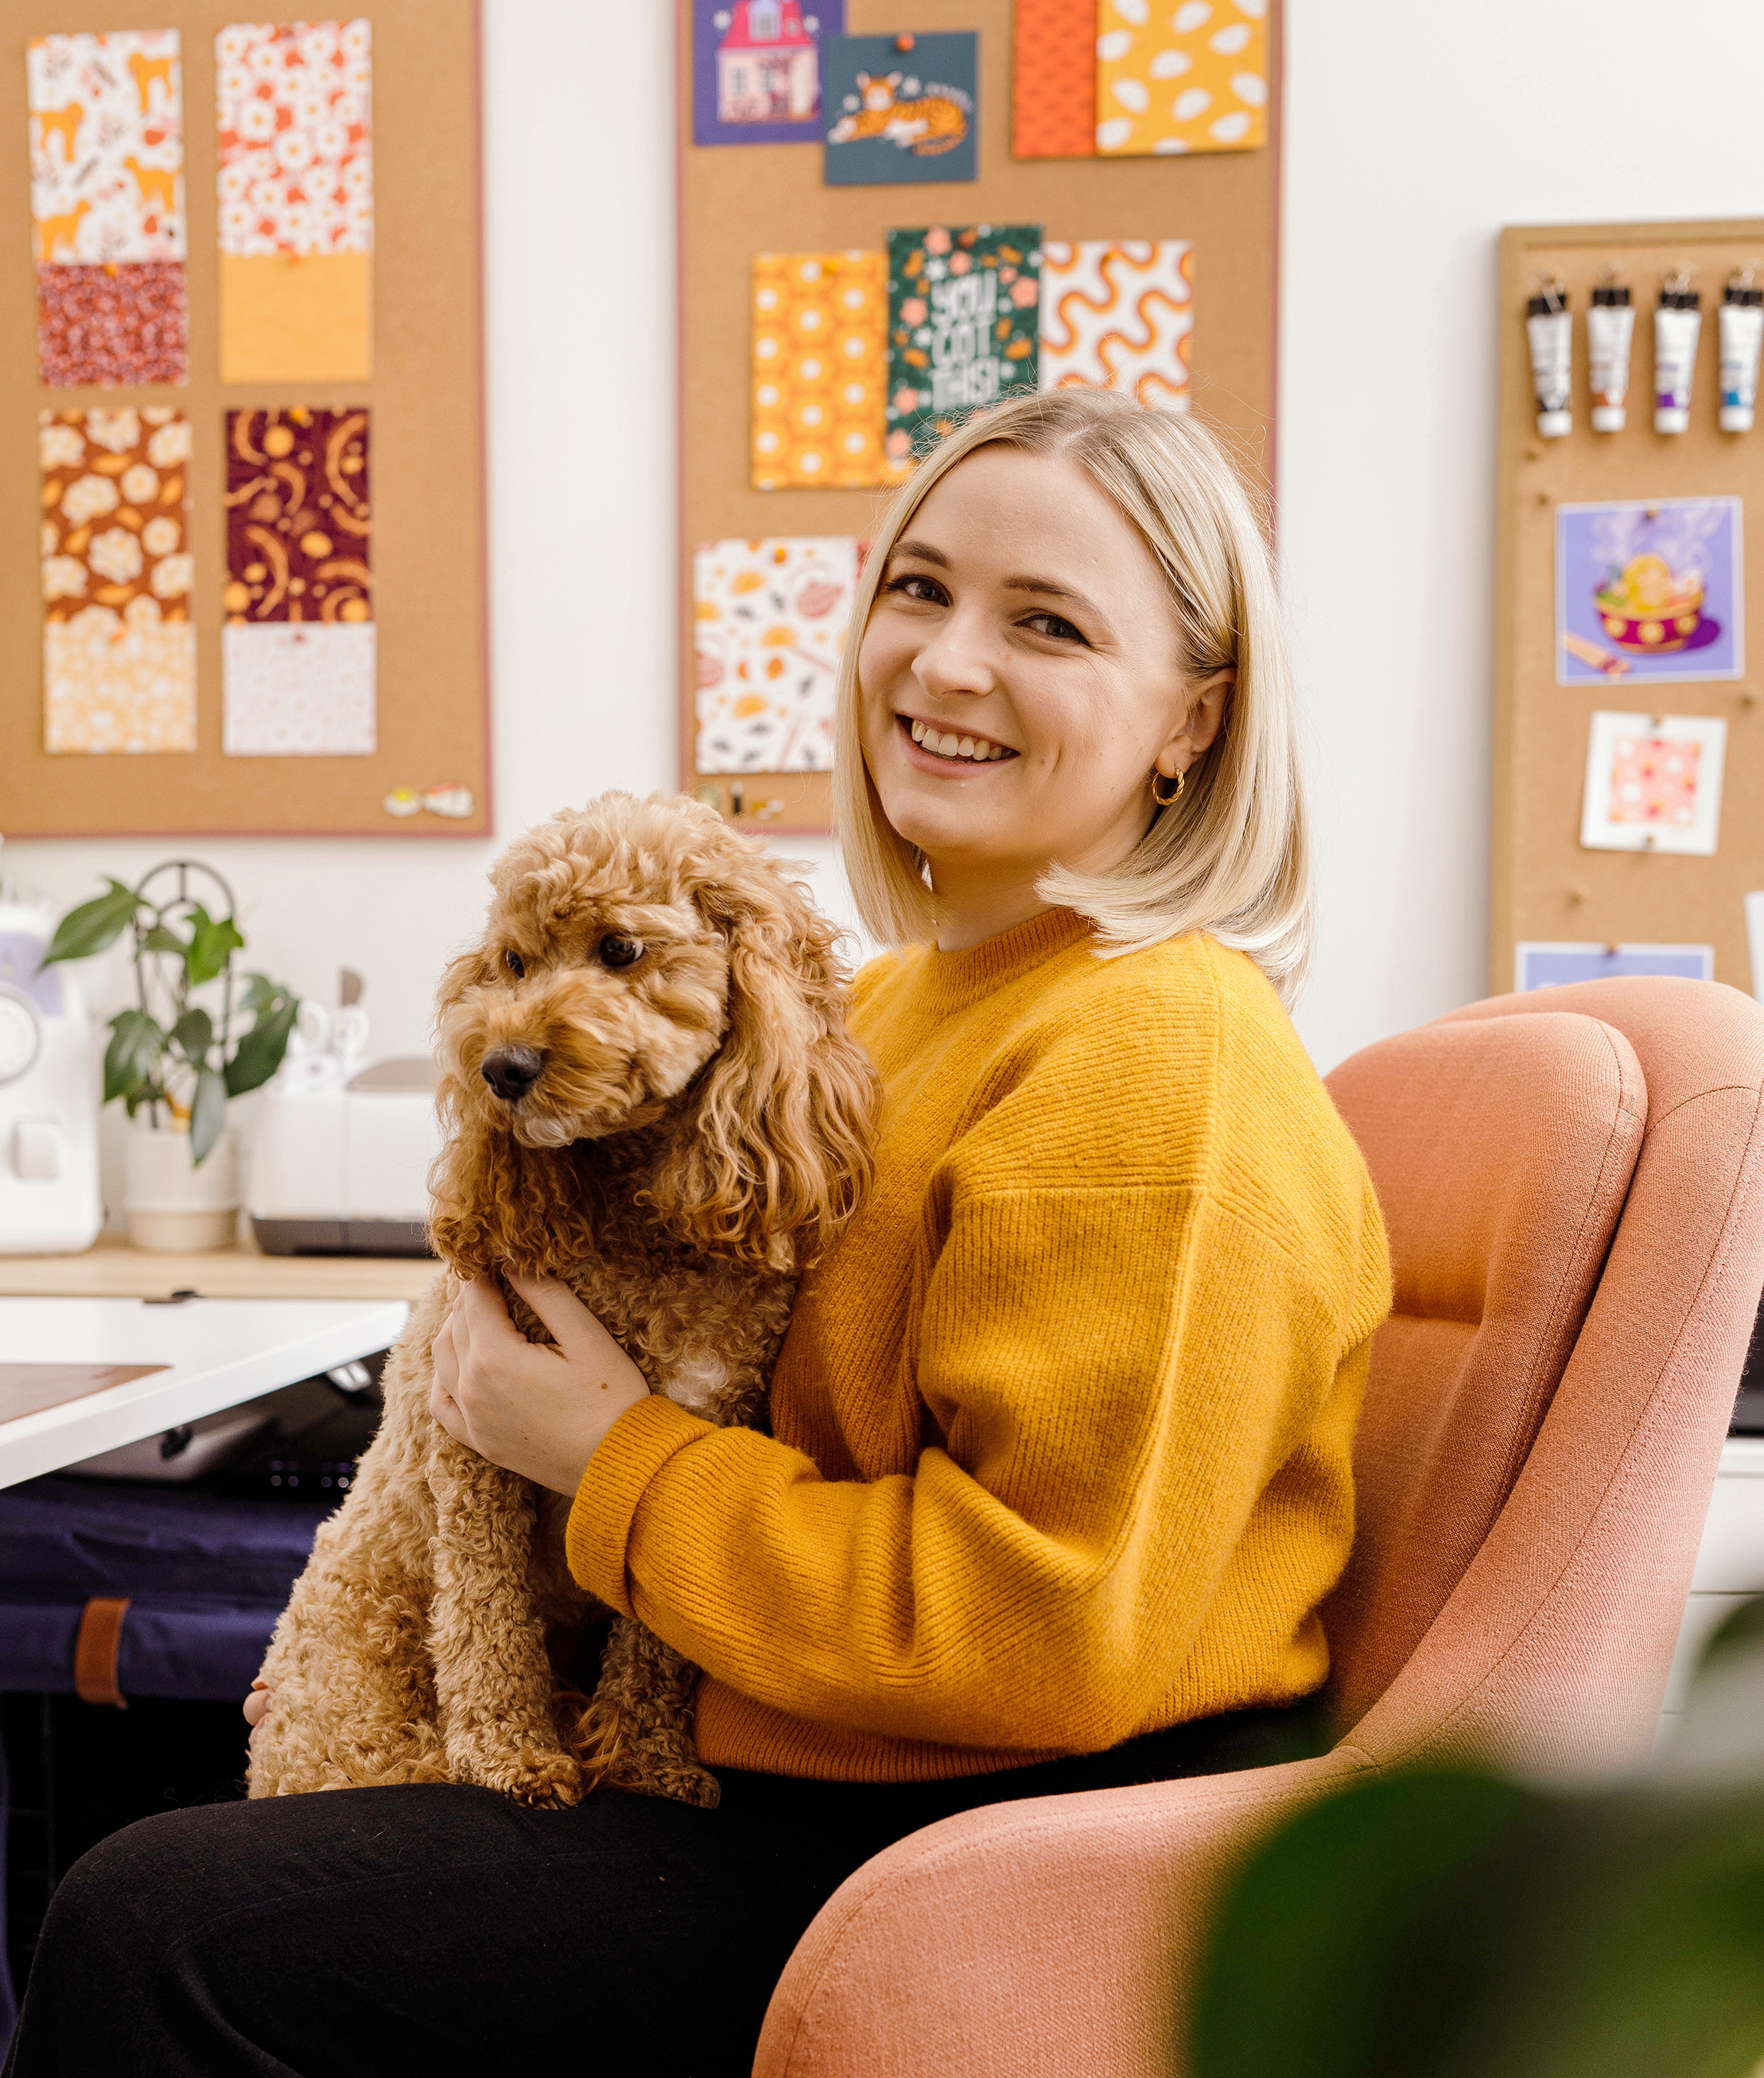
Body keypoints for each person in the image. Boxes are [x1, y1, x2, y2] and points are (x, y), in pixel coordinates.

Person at [4, 390, 1389, 2076]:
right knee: (179, 1807)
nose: (946, 663)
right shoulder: (901, 1004)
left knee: (153, 1928)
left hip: (976, 1837)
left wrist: (609, 1461)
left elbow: (1043, 1635)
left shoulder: (1153, 1058)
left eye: (1046, 624)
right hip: (798, 1738)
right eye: (917, 590)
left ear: (1192, 719)